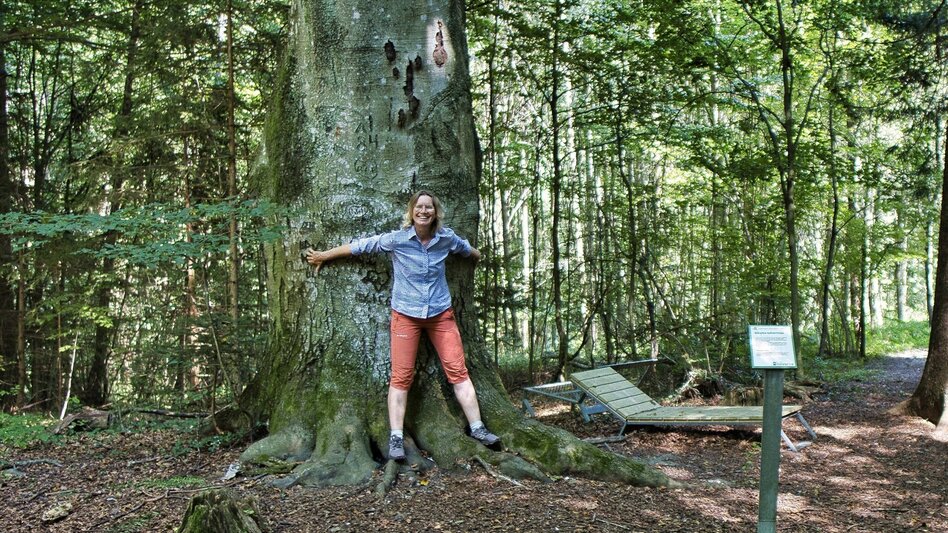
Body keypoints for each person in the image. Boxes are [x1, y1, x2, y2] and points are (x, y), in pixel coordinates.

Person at [305, 190, 500, 461]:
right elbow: (360, 246)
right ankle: (395, 437)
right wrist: (324, 256)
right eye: (419, 207)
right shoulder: (396, 240)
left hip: (440, 315)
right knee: (401, 376)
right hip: (406, 316)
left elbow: (468, 250)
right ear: (411, 212)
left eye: (428, 207)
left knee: (458, 371)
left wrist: (479, 256)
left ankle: (477, 428)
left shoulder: (446, 239)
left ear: (435, 212)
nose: (423, 211)